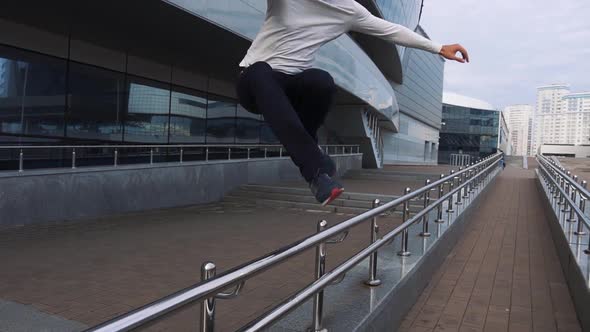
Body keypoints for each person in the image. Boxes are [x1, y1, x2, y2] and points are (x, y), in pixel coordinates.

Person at [237, 0, 469, 206]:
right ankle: (317, 173)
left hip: (291, 87)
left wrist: (438, 48)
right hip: (253, 83)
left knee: (322, 81)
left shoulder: (349, 10)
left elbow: (392, 31)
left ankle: (306, 141)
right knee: (261, 71)